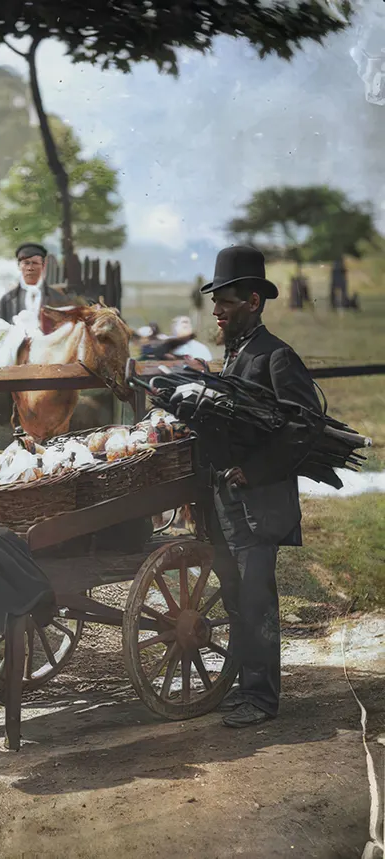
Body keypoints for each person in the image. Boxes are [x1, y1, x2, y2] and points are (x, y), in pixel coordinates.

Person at [200, 246, 321, 729]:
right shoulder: (236, 356)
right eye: (215, 302)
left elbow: (306, 426)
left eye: (225, 301)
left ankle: (262, 698)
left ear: (253, 300)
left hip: (257, 501)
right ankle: (247, 688)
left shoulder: (276, 357)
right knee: (235, 598)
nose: (216, 311)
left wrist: (254, 471)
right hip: (227, 503)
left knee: (255, 600)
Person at [0, 242, 71, 323]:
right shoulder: (7, 300)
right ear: (19, 266)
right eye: (26, 263)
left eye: (35, 263)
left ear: (43, 265)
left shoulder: (59, 299)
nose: (30, 268)